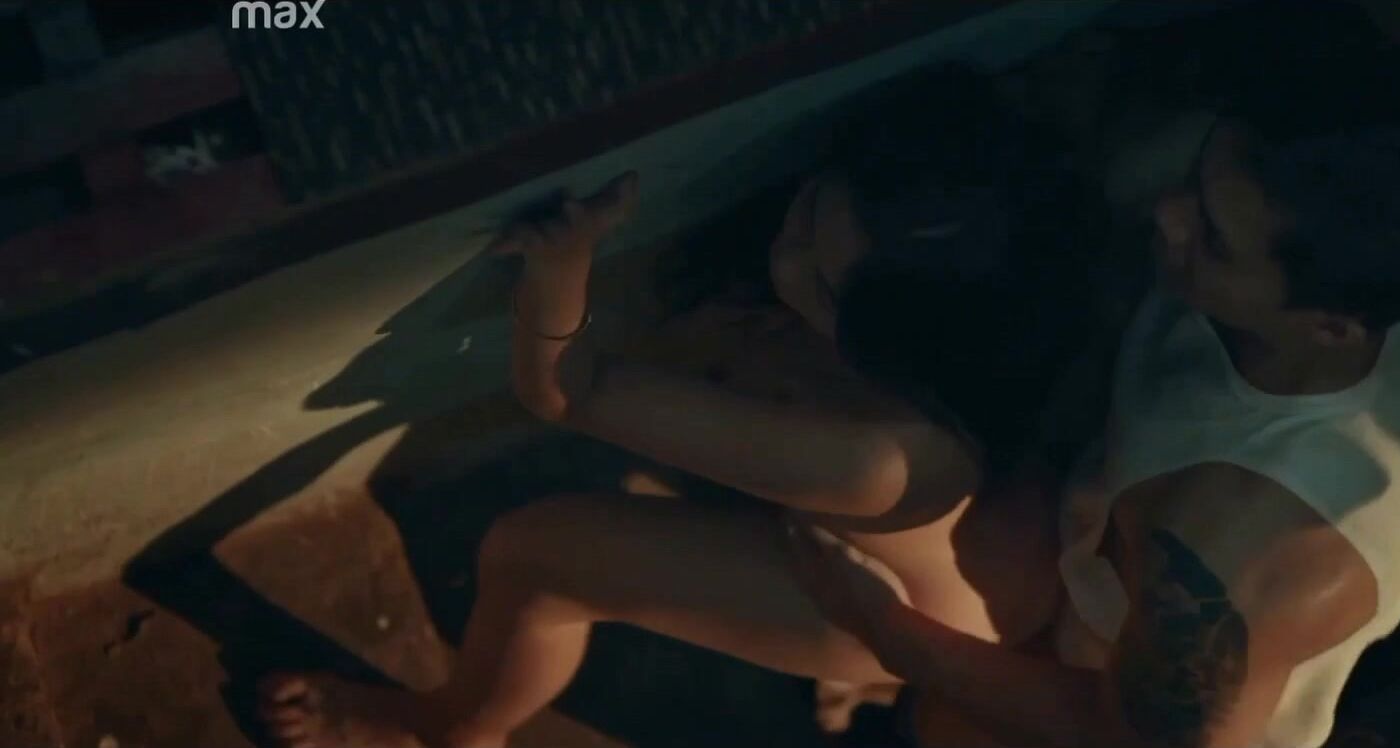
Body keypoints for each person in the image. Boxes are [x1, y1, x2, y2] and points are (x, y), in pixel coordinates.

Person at [255, 66, 1094, 748]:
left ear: (890, 347)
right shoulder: (999, 309)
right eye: (810, 209)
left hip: (892, 614)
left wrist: (562, 266)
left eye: (817, 276)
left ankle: (455, 727)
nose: (787, 249)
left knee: (535, 556)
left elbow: (568, 389)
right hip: (1009, 575)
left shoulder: (877, 458)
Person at [786, 5, 1400, 747]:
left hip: (1115, 682)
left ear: (1328, 327)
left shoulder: (1240, 539)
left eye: (1215, 240)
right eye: (1199, 177)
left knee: (930, 711)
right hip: (1095, 536)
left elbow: (1121, 735)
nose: (1169, 214)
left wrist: (885, 632)